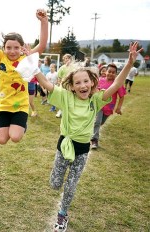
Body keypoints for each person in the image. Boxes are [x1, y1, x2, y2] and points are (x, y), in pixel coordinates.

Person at [15, 41, 142, 232]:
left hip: (82, 150)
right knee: (55, 183)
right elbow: (46, 84)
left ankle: (62, 214)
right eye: (77, 83)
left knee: (71, 185)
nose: (82, 85)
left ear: (92, 82)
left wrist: (129, 63)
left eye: (85, 81)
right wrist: (32, 63)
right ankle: (57, 181)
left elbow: (116, 84)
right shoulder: (65, 97)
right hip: (64, 145)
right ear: (72, 87)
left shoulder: (96, 99)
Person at [0, 6, 48, 144]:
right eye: (8, 47)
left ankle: (22, 125)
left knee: (15, 137)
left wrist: (44, 21)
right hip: (3, 105)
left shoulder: (26, 58)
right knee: (2, 140)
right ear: (3, 48)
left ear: (22, 48)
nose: (12, 51)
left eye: (16, 47)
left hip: (20, 105)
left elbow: (42, 45)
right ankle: (14, 127)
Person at [91, 63, 126, 149]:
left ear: (116, 74)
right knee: (97, 122)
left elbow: (121, 97)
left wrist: (118, 107)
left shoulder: (117, 84)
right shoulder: (100, 80)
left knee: (100, 123)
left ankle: (91, 130)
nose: (111, 73)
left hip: (109, 108)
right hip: (99, 105)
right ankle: (94, 140)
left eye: (113, 72)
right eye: (109, 71)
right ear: (105, 72)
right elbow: (94, 90)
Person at [56, 53, 74, 118]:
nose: (66, 60)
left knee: (69, 99)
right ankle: (60, 111)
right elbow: (59, 77)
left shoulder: (73, 67)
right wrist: (59, 84)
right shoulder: (62, 68)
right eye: (65, 59)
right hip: (63, 85)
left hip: (70, 85)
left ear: (71, 59)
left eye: (68, 58)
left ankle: (67, 112)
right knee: (62, 99)